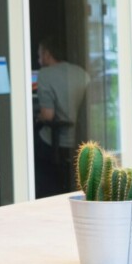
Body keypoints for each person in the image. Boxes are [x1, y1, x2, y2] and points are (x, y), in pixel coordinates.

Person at [34, 36, 90, 196]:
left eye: (39, 53)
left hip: (58, 143)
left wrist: (38, 117)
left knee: (30, 142)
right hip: (80, 140)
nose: (38, 58)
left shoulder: (45, 74)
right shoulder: (81, 72)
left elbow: (48, 115)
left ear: (47, 54)